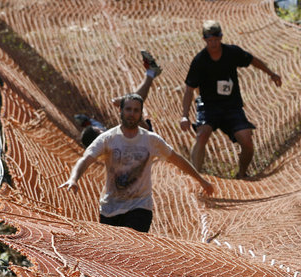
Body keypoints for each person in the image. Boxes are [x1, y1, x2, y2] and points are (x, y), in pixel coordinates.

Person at [59, 92, 215, 233]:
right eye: (128, 109)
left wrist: (201, 180)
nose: (131, 114)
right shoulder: (108, 138)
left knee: (130, 248)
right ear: (121, 111)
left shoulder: (151, 140)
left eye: (136, 110)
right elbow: (85, 159)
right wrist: (73, 179)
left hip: (140, 207)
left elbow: (177, 160)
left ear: (141, 114)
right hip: (110, 208)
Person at [179, 20, 282, 179]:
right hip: (209, 106)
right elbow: (189, 89)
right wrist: (185, 115)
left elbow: (252, 60)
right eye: (209, 40)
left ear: (221, 37)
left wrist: (271, 73)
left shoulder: (232, 52)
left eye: (216, 39)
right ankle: (196, 178)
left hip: (231, 106)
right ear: (204, 39)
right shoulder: (200, 61)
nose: (213, 43)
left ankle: (241, 174)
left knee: (247, 140)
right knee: (202, 135)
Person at [74, 50, 163, 147]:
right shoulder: (112, 145)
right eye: (98, 130)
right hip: (146, 143)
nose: (101, 128)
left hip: (144, 138)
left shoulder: (104, 142)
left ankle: (151, 73)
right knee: (131, 106)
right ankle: (151, 73)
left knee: (131, 105)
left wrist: (88, 121)